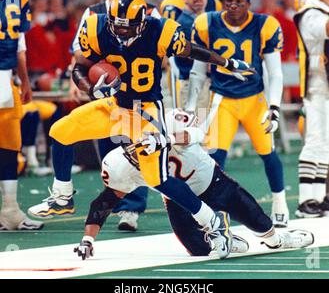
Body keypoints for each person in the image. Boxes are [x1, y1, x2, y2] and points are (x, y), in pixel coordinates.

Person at [29, 0, 253, 257]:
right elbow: (78, 68)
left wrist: (226, 62)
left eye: (128, 26)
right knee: (60, 131)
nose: (122, 31)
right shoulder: (98, 27)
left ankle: (211, 221)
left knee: (158, 179)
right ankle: (63, 196)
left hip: (145, 111)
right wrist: (92, 89)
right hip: (115, 105)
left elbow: (191, 50)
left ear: (143, 19)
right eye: (117, 25)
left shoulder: (160, 30)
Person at [73, 109, 314, 260]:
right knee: (199, 251)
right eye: (130, 144)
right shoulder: (120, 164)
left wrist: (166, 139)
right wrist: (88, 239)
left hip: (212, 182)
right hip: (180, 201)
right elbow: (103, 203)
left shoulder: (168, 121)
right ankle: (226, 235)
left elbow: (200, 135)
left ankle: (280, 239)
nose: (135, 147)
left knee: (263, 228)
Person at [186, 0, 289, 227]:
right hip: (222, 99)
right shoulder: (207, 23)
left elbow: (275, 72)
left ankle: (279, 203)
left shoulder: (264, 25)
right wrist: (191, 106)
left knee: (268, 153)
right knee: (215, 159)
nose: (233, 6)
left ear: (248, 4)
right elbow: (198, 71)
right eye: (228, 1)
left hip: (254, 99)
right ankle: (214, 209)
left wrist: (274, 107)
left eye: (239, 2)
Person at [69, 0, 160, 231]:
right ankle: (111, 201)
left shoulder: (150, 11)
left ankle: (131, 208)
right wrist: (85, 82)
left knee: (136, 149)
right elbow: (79, 54)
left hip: (139, 95)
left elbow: (163, 56)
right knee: (109, 150)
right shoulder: (93, 14)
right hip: (106, 93)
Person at [0, 0, 43, 230]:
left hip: (6, 79)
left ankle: (10, 210)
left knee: (9, 145)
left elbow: (20, 44)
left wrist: (25, 81)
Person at [293, 0, 329, 218]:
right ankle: (306, 198)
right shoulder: (309, 8)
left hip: (325, 83)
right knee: (315, 138)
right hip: (316, 84)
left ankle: (318, 199)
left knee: (325, 142)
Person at [172, 0, 208, 109]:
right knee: (193, 128)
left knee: (210, 128)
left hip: (207, 84)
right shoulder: (183, 23)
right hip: (192, 84)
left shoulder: (206, 19)